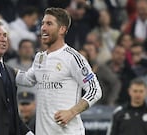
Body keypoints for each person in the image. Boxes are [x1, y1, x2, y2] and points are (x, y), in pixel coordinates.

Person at [16, 7, 102, 135]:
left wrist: (71, 112)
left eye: (49, 24)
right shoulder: (40, 57)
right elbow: (27, 79)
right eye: (43, 23)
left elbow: (95, 90)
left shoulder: (73, 57)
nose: (43, 28)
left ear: (62, 29)